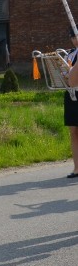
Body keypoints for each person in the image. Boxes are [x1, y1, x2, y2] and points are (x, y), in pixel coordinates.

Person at [63, 32, 78, 178]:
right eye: (72, 37)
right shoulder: (70, 54)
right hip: (71, 94)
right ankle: (76, 168)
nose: (75, 40)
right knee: (73, 131)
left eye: (77, 36)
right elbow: (64, 74)